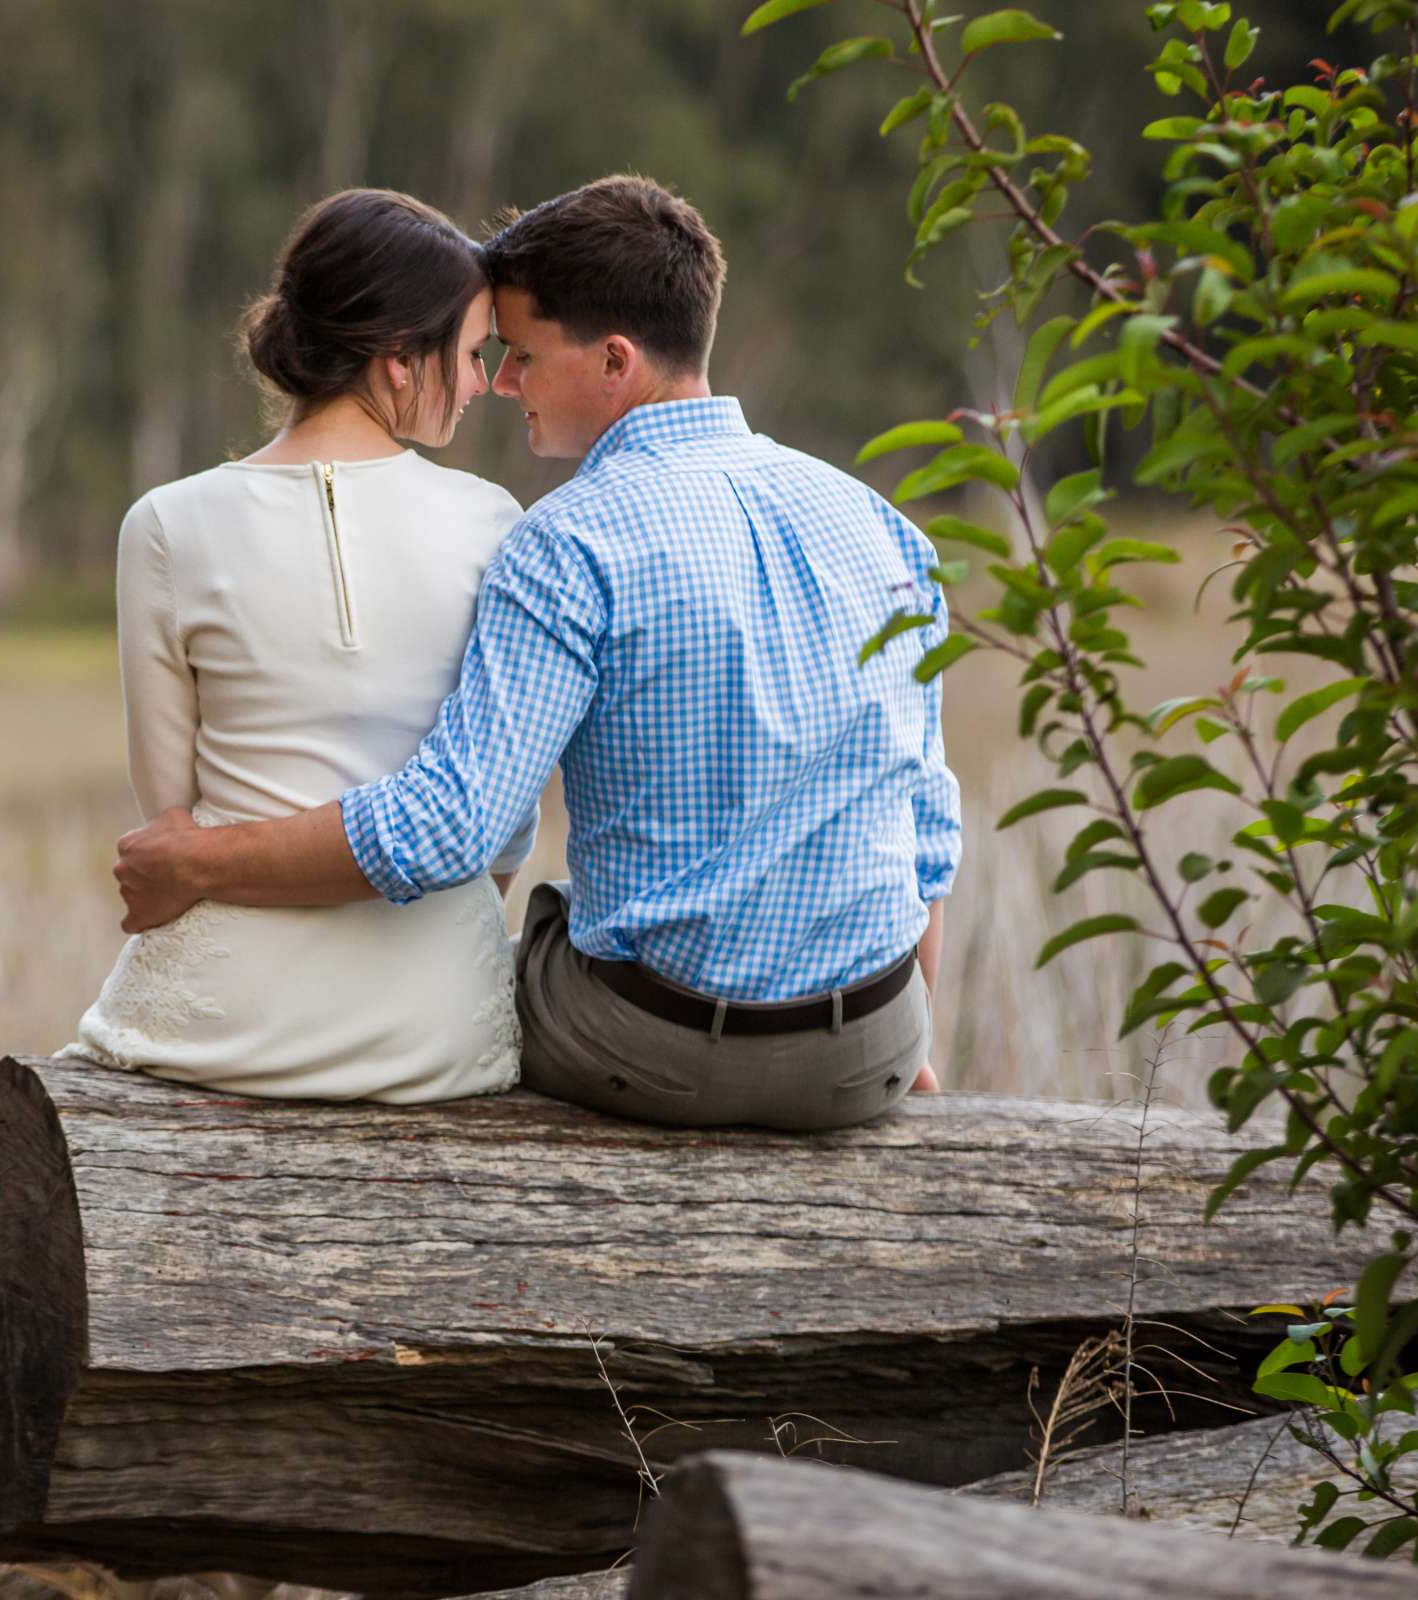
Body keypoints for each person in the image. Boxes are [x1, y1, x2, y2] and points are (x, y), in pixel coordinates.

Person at [112, 174, 961, 1132]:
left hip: (650, 1051)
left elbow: (454, 828)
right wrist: (903, 1048)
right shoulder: (885, 528)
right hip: (872, 1052)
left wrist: (199, 861)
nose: (502, 381)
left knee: (533, 942)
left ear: (613, 360)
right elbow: (929, 828)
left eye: (518, 353)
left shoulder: (568, 542)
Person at [61, 187, 540, 1103]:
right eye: (472, 353)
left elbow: (170, 811)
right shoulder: (493, 522)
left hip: (217, 1029)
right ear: (399, 361)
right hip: (437, 1034)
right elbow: (504, 826)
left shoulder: (165, 525)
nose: (483, 381)